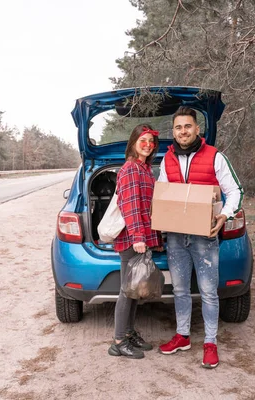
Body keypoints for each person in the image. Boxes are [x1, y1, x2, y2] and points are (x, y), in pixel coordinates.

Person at [157, 106, 243, 368]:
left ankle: (210, 342)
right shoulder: (167, 159)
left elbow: (236, 191)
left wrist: (224, 215)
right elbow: (162, 193)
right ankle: (183, 336)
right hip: (175, 236)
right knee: (180, 289)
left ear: (197, 129)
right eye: (178, 127)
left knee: (208, 292)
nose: (183, 131)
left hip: (204, 236)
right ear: (173, 131)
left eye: (187, 126)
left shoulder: (215, 157)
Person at [108, 124, 163, 359]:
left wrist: (154, 238)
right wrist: (139, 238)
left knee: (133, 290)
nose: (148, 145)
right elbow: (131, 208)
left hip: (140, 238)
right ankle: (118, 341)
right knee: (126, 291)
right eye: (144, 140)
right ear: (133, 142)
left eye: (151, 141)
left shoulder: (145, 169)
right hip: (131, 240)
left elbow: (148, 207)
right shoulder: (131, 169)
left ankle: (129, 333)